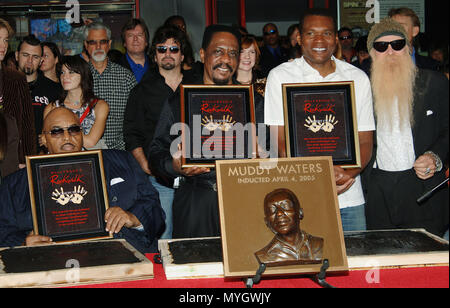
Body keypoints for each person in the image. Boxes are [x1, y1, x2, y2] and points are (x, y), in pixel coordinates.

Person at [149, 25, 265, 239]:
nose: (225, 59)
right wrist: (174, 165)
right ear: (202, 54)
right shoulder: (181, 100)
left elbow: (273, 152)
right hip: (196, 202)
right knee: (196, 269)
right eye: (218, 51)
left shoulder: (253, 102)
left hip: (244, 200)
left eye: (232, 53)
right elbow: (156, 153)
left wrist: (263, 157)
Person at [264, 9, 375, 232]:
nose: (319, 40)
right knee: (309, 265)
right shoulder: (280, 77)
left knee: (355, 265)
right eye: (310, 33)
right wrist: (316, 179)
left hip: (349, 197)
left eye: (326, 33)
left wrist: (347, 173)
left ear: (335, 38)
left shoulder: (357, 78)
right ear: (299, 38)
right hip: (301, 198)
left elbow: (365, 141)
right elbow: (280, 142)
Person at [0, 107, 165, 253]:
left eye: (74, 129)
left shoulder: (121, 161)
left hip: (121, 255)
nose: (67, 137)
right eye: (56, 131)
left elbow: (153, 207)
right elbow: (3, 232)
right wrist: (23, 244)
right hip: (51, 265)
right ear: (43, 139)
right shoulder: (15, 184)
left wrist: (134, 218)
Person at [364, 18, 449, 237]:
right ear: (372, 53)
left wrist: (435, 156)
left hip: (422, 189)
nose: (390, 51)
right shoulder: (361, 89)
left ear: (408, 48)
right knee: (384, 260)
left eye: (397, 44)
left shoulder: (435, 83)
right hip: (377, 189)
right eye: (381, 46)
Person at [124, 25, 195, 239]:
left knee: (196, 237)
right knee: (163, 239)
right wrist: (146, 165)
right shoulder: (141, 91)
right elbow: (131, 133)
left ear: (182, 55)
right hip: (160, 179)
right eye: (162, 49)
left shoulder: (197, 85)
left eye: (174, 49)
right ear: (154, 55)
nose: (167, 54)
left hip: (197, 178)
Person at [84, 21, 137, 150]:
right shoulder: (78, 76)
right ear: (86, 45)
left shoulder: (126, 77)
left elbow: (136, 119)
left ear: (109, 44)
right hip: (86, 152)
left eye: (102, 42)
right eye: (92, 42)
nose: (98, 47)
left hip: (119, 151)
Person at [43, 56, 109, 150]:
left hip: (89, 159)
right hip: (61, 160)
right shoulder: (52, 107)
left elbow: (91, 142)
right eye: (62, 72)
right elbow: (44, 140)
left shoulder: (99, 106)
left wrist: (60, 135)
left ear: (83, 75)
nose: (65, 77)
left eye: (71, 72)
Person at [0, 18, 36, 168]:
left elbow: (28, 123)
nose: (3, 46)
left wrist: (26, 158)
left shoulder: (16, 78)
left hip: (11, 157)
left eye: (5, 40)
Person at [15, 35, 63, 148]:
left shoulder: (54, 89)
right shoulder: (4, 85)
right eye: (25, 55)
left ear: (41, 60)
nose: (29, 61)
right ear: (17, 56)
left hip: (41, 155)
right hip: (9, 155)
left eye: (35, 57)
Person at [255, 189, 324, 265]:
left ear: (300, 212)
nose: (279, 214)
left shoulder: (320, 245)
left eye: (285, 206)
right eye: (272, 210)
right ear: (267, 222)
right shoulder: (264, 255)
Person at [117, 18, 150, 83]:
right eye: (130, 35)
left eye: (140, 35)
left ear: (146, 42)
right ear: (124, 43)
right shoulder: (116, 68)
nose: (135, 39)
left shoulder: (157, 65)